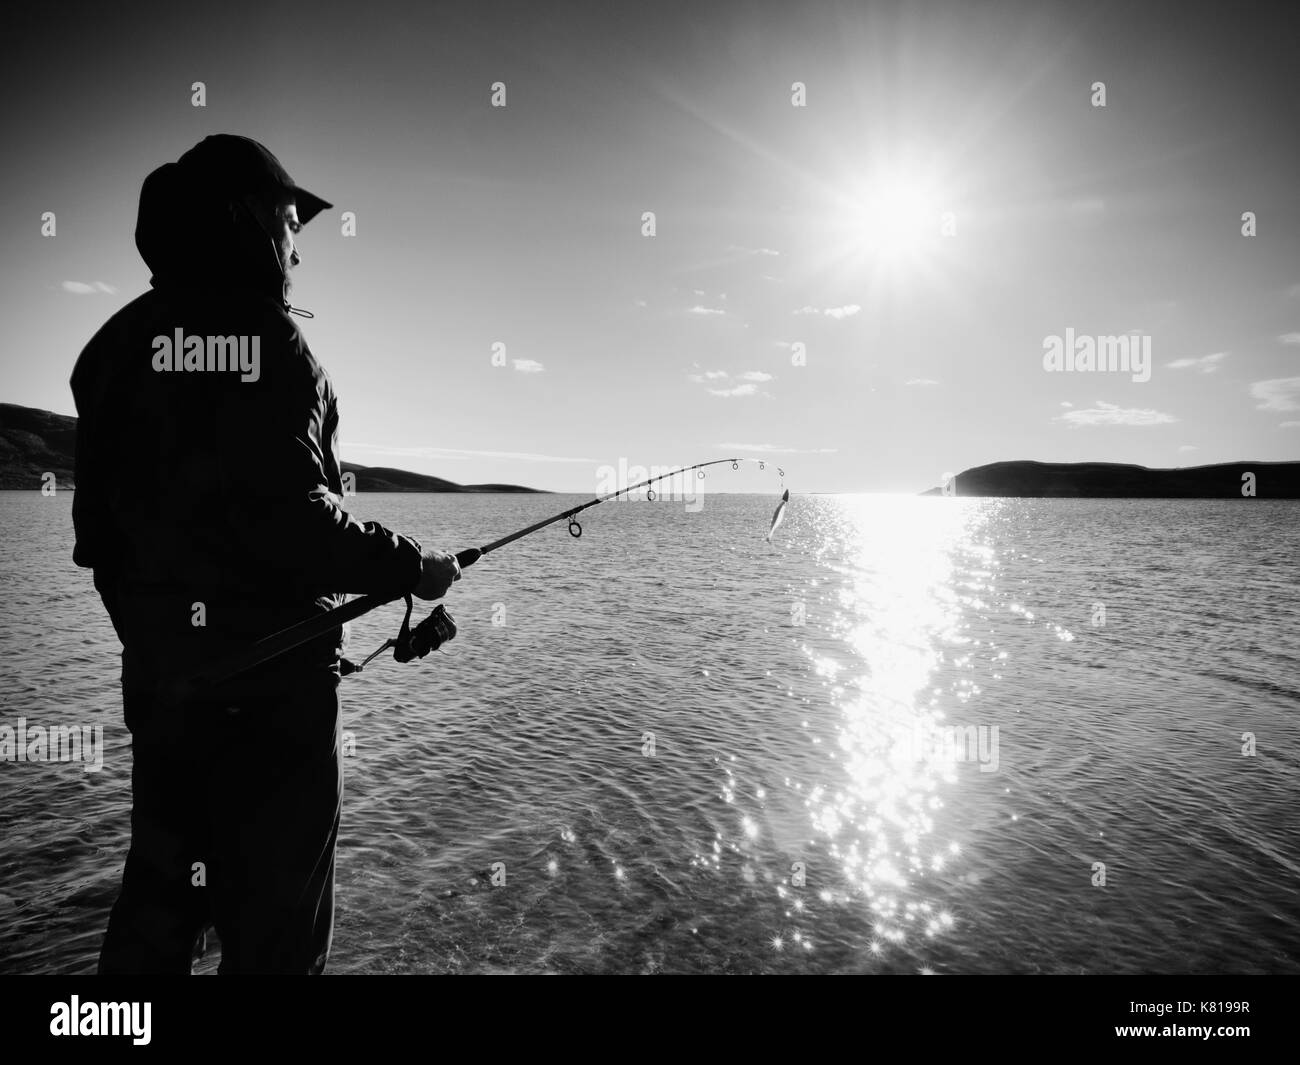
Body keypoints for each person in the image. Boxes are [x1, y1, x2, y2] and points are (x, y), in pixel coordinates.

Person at [70, 134, 460, 974]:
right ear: (247, 217)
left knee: (156, 918)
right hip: (274, 718)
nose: (297, 244)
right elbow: (294, 525)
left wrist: (167, 646)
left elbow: (99, 542)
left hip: (166, 698)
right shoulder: (268, 343)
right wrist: (411, 565)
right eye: (290, 219)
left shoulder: (108, 351)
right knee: (277, 943)